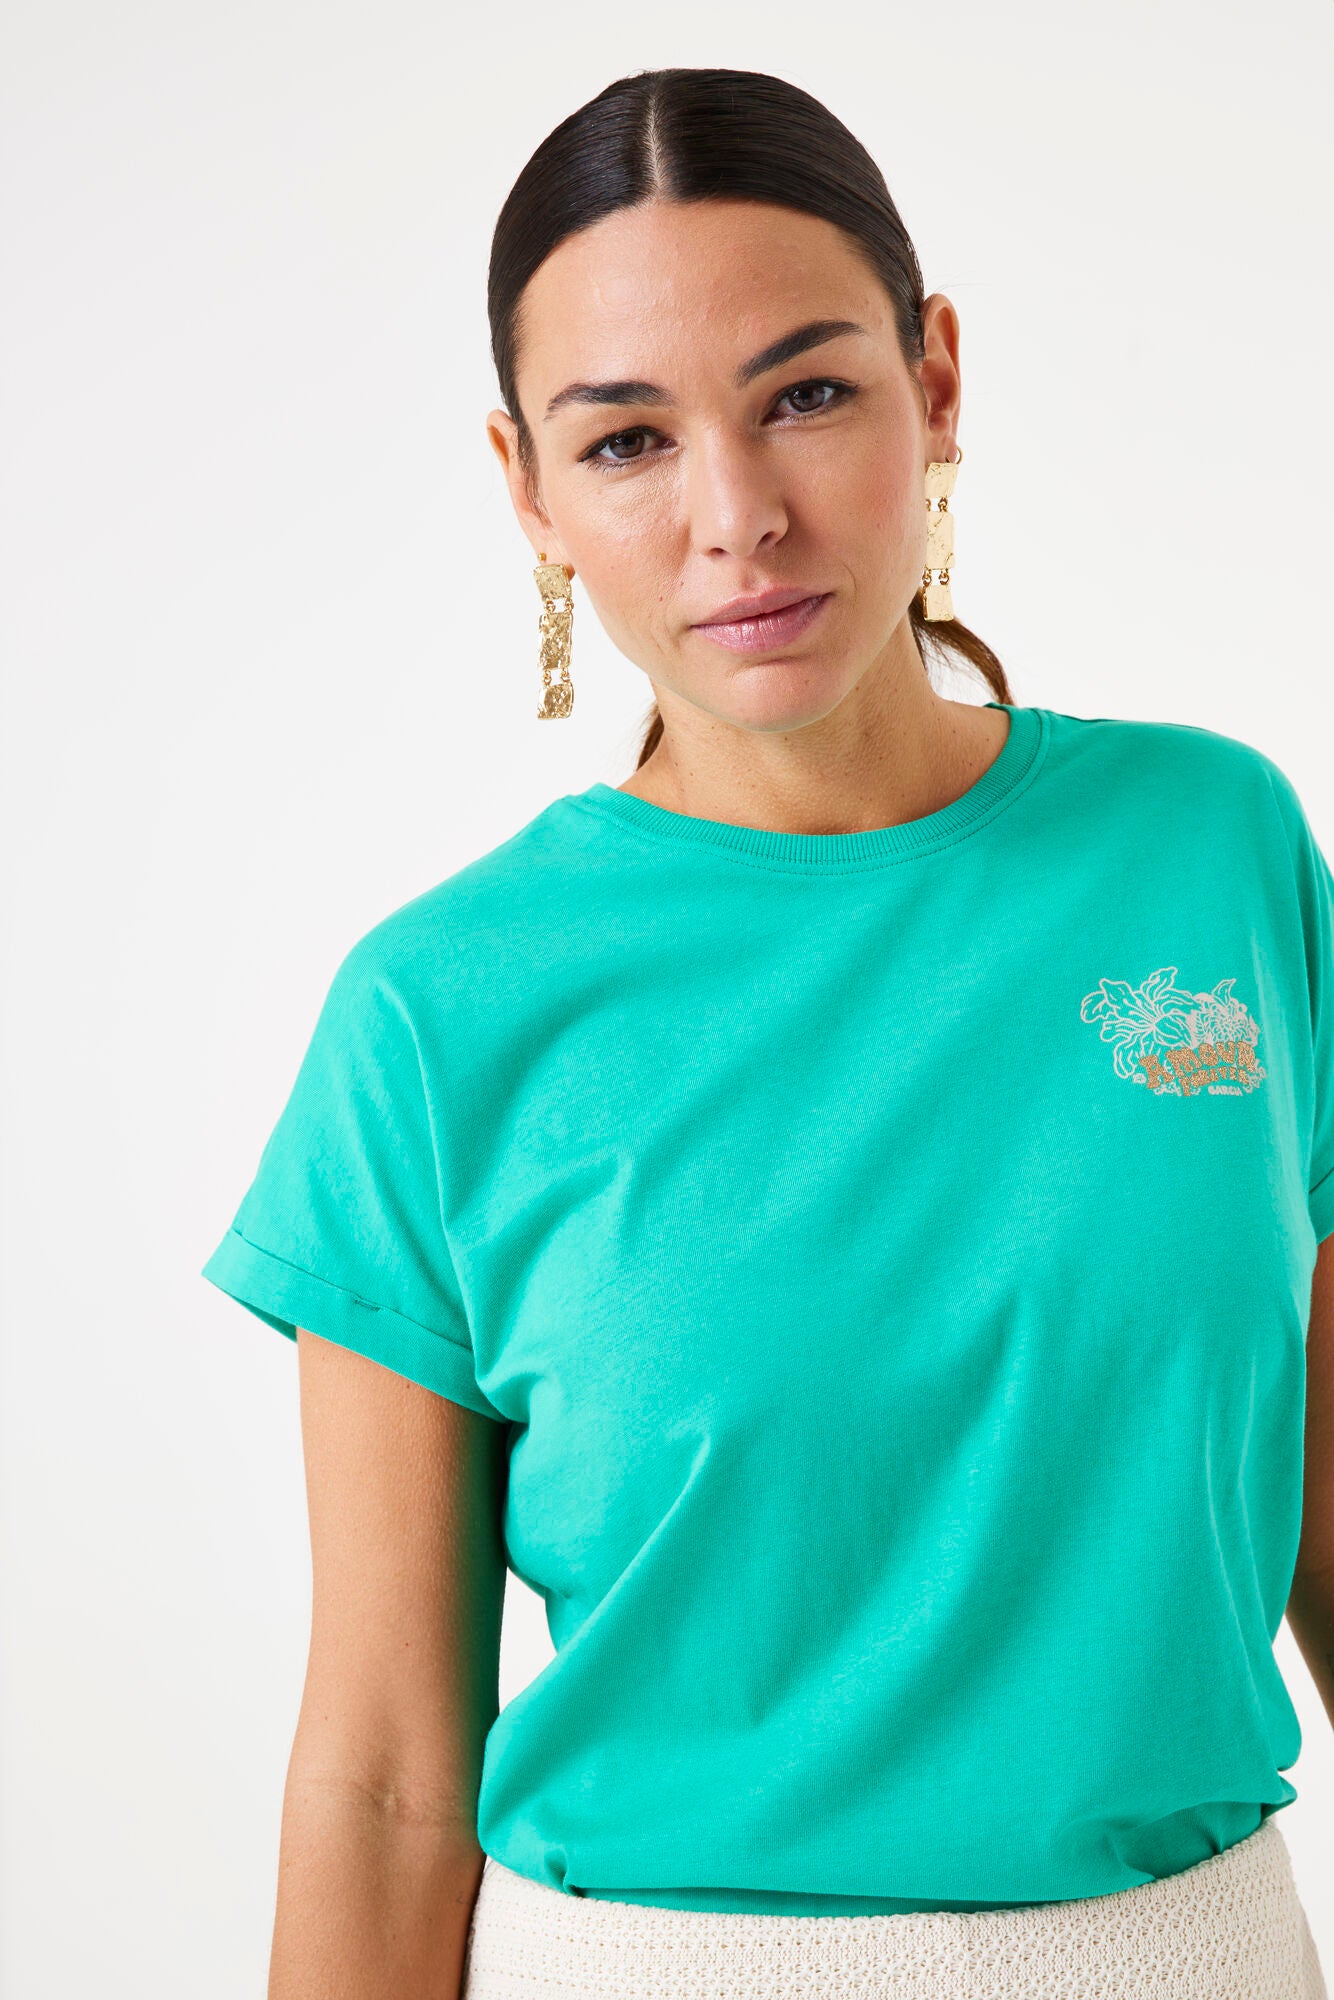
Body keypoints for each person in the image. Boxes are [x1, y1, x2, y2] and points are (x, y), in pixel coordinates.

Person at [201, 65, 1333, 2000]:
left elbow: (1317, 1501)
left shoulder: (1211, 849)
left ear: (937, 385)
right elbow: (390, 1769)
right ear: (528, 493)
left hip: (1201, 1954)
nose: (738, 517)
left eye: (806, 392)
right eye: (627, 441)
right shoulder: (436, 1011)